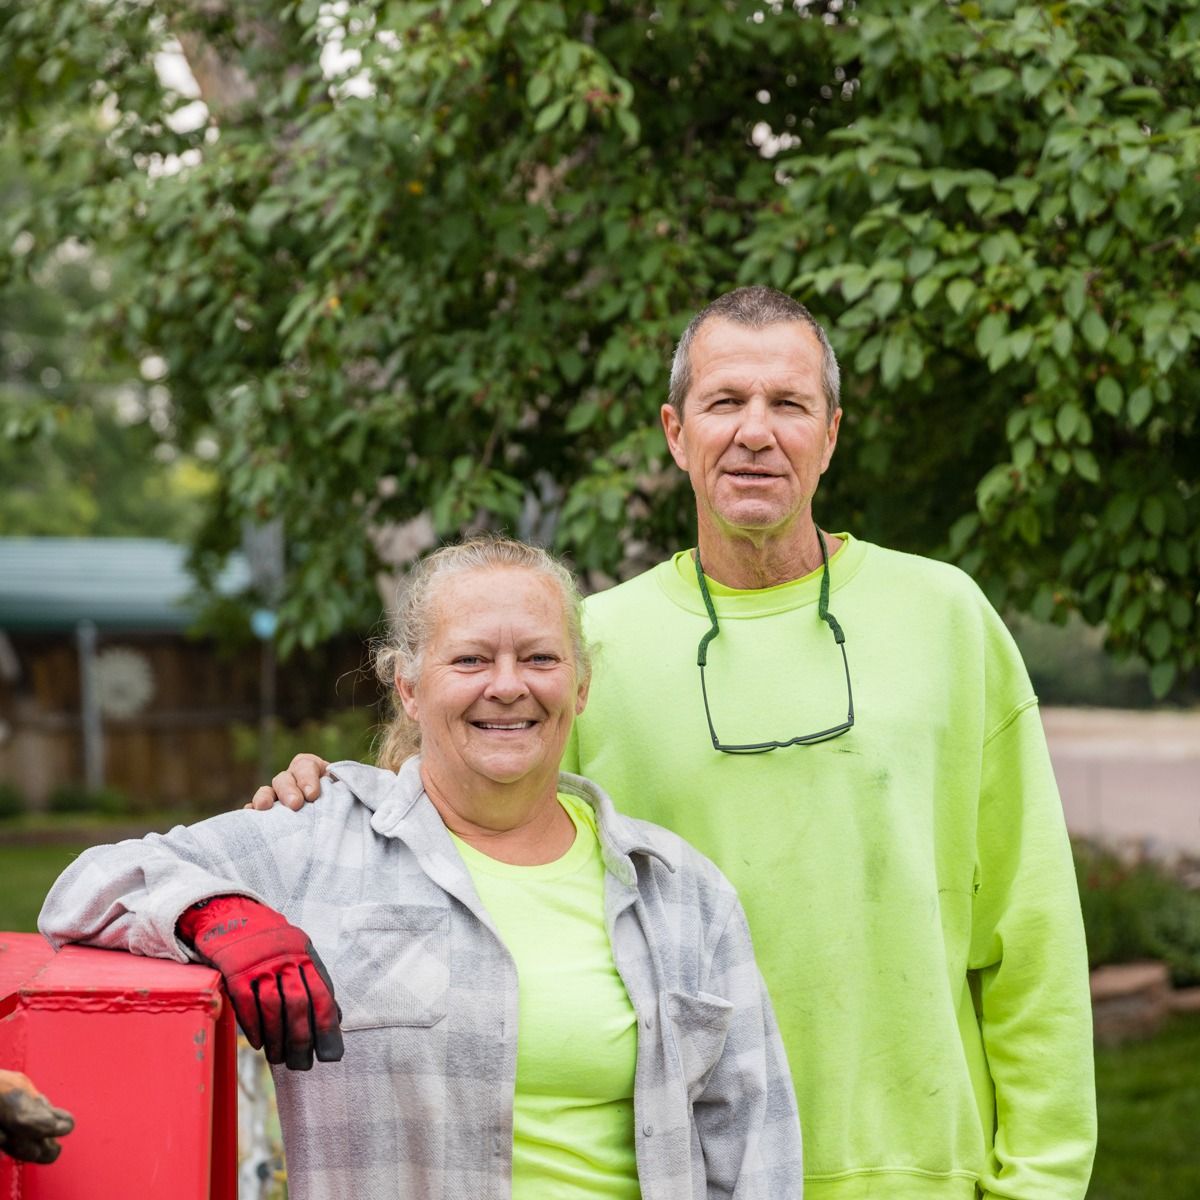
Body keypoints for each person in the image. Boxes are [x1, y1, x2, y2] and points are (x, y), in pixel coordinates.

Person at [264, 287, 1097, 1199]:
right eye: (724, 402)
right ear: (674, 431)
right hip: (684, 1170)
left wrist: (1043, 1178)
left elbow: (1031, 927)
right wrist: (331, 796)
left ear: (832, 432)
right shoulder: (589, 648)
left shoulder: (946, 620)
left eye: (788, 404)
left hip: (923, 1170)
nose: (754, 432)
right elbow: (459, 831)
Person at [39, 536, 803, 1200]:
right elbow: (87, 886)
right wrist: (218, 915)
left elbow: (753, 1145)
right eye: (470, 659)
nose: (508, 685)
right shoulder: (317, 840)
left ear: (581, 683)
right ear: (408, 685)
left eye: (538, 658)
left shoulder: (678, 890)